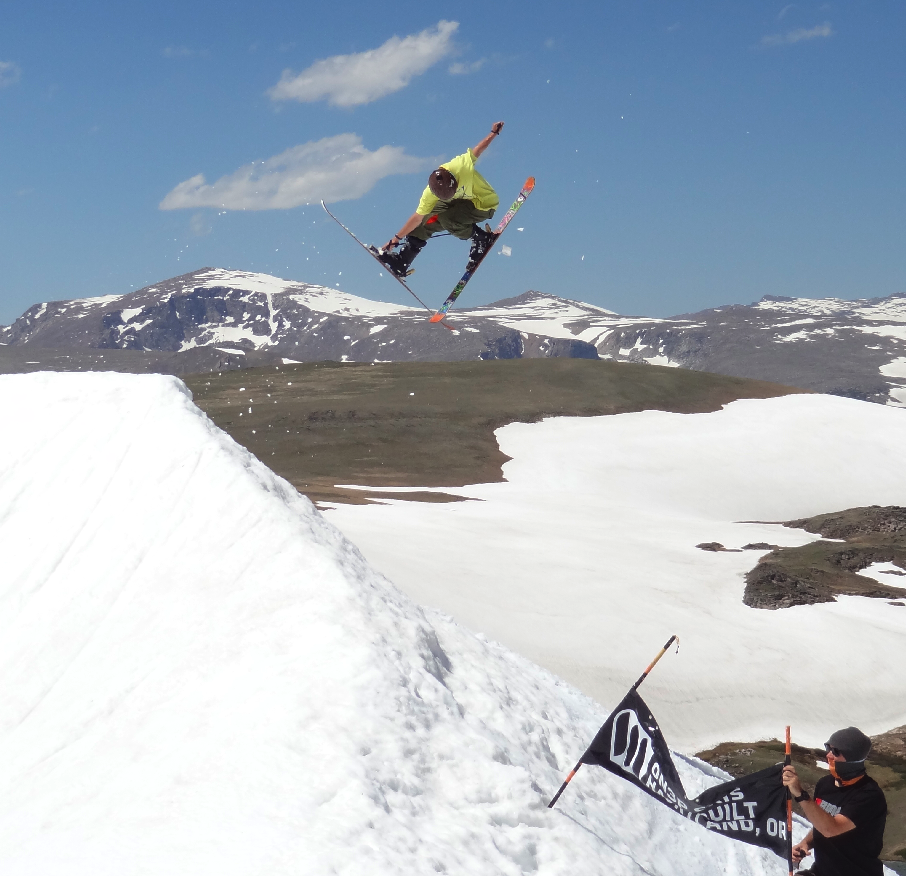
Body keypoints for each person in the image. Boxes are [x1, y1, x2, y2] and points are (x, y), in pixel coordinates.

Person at [377, 122, 505, 278]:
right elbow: (416, 217)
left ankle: (481, 239)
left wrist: (493, 132)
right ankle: (402, 261)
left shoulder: (460, 166)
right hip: (459, 203)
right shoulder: (430, 192)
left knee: (447, 218)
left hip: (483, 203)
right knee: (426, 218)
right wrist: (395, 240)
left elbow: (478, 150)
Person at [782, 726, 887, 876]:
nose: (829, 755)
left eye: (836, 751)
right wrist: (806, 843)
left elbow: (831, 828)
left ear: (853, 758)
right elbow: (822, 822)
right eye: (828, 748)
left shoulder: (868, 795)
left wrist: (800, 794)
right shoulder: (825, 784)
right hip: (823, 870)